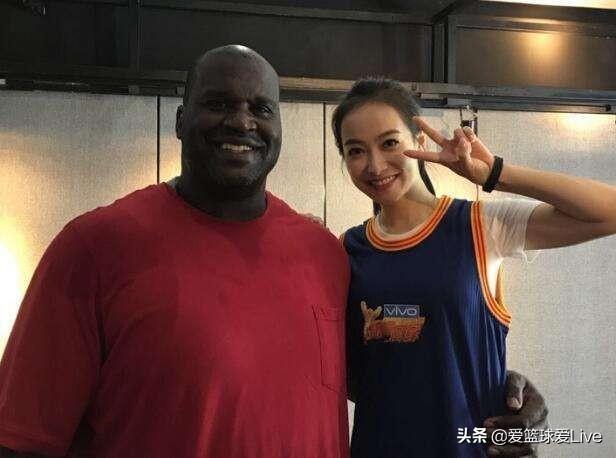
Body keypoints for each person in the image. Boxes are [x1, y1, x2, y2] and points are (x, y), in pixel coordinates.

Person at [0, 46, 546, 458]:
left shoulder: (324, 252)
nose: (242, 121)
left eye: (261, 108)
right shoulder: (94, 247)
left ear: (279, 127)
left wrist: (492, 385)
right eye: (218, 104)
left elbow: (382, 368)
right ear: (180, 120)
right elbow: (22, 440)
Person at [333, 78, 616, 458]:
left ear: (419, 140)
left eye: (389, 143)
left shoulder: (480, 226)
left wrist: (495, 172)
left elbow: (608, 212)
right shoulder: (346, 249)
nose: (374, 164)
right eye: (355, 150)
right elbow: (353, 376)